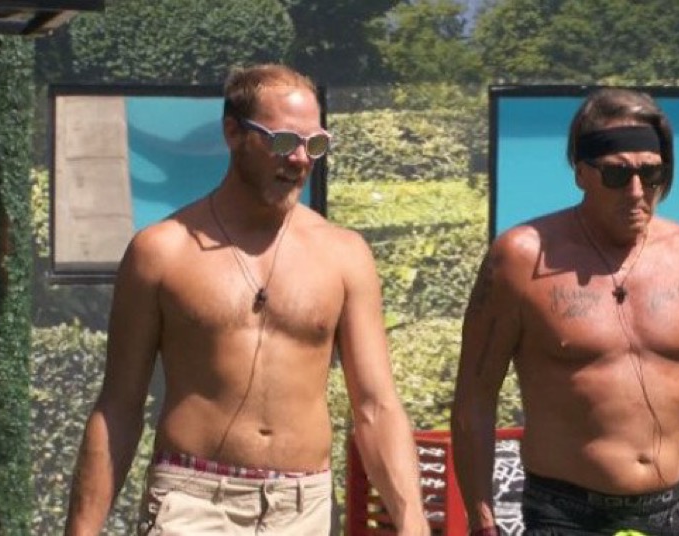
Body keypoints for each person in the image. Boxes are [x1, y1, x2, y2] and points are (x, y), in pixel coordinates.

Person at [64, 64, 429, 536]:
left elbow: (376, 406)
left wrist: (412, 520)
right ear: (233, 133)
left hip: (304, 508)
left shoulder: (344, 254)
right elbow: (119, 406)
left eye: (315, 144)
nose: (300, 159)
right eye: (283, 141)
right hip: (192, 503)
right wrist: (82, 529)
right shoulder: (162, 250)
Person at [450, 88, 679, 536]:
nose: (636, 191)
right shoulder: (521, 258)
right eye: (616, 174)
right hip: (565, 517)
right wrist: (483, 521)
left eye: (651, 174)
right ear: (581, 173)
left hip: (672, 514)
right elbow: (475, 399)